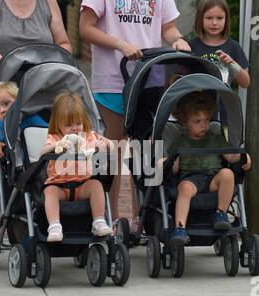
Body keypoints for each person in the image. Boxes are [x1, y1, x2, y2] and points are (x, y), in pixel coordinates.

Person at [0, 0, 72, 244]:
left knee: (44, 152)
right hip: (3, 93)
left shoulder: (48, 3)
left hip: (42, 93)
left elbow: (64, 43)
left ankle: (46, 216)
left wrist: (55, 58)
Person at [79, 0, 191, 232]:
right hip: (112, 78)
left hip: (149, 77)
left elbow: (167, 27)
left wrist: (178, 39)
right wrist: (120, 44)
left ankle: (142, 218)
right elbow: (86, 28)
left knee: (145, 150)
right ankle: (108, 218)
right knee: (111, 149)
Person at [167, 91, 251, 246]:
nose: (204, 125)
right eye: (197, 121)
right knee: (184, 188)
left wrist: (243, 156)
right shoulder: (180, 141)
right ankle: (180, 227)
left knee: (227, 173)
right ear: (185, 122)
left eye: (206, 120)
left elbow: (230, 157)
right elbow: (174, 167)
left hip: (213, 179)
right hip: (190, 179)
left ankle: (221, 214)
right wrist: (166, 162)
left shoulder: (215, 138)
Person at [40, 92, 114, 242]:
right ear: (58, 124)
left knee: (97, 185)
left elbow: (111, 145)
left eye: (78, 123)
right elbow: (43, 152)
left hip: (83, 184)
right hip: (59, 185)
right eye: (68, 125)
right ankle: (54, 225)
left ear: (84, 121)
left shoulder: (89, 136)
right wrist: (57, 146)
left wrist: (104, 145)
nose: (74, 128)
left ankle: (99, 221)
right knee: (50, 192)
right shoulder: (55, 137)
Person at [190, 0, 250, 88]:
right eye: (209, 18)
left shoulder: (234, 47)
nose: (214, 23)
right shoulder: (191, 46)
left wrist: (232, 63)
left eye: (220, 18)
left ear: (226, 19)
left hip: (225, 100)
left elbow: (245, 83)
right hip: (195, 100)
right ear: (200, 18)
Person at [0, 81, 48, 155]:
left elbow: (49, 133)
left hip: (40, 158)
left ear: (19, 102)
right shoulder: (0, 124)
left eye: (6, 104)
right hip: (16, 162)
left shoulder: (31, 118)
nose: (2, 110)